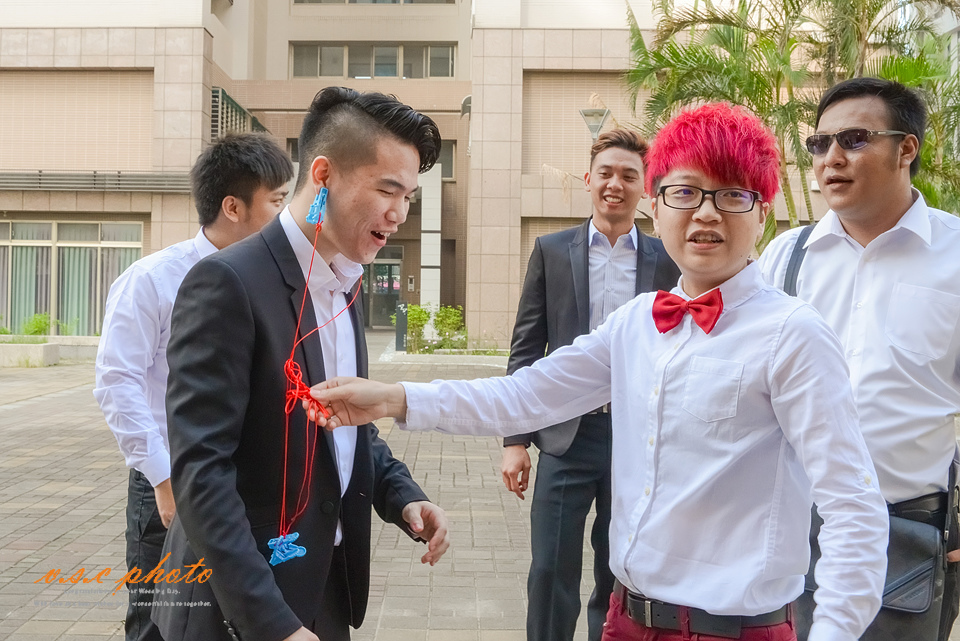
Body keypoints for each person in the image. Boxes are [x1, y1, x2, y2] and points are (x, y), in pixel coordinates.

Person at [307, 103, 890, 641]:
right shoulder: (636, 323)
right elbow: (525, 395)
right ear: (656, 204)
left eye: (732, 195)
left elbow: (854, 509)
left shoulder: (794, 335)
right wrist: (395, 398)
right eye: (685, 192)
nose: (706, 213)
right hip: (625, 621)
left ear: (762, 211)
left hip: (736, 630)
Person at [153, 87, 450, 641]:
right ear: (323, 175)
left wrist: (403, 496)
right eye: (387, 189)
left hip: (325, 586)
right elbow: (201, 470)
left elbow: (341, 424)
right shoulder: (228, 282)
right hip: (239, 607)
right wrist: (272, 624)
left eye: (408, 196)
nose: (398, 213)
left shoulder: (343, 283)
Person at [758, 77, 960, 641]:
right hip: (788, 528)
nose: (831, 158)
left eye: (853, 139)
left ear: (906, 148)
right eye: (819, 143)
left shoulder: (955, 255)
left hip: (905, 532)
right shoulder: (786, 257)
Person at [94, 132, 294, 641]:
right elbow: (117, 382)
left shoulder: (276, 279)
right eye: (276, 202)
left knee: (238, 615)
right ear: (233, 207)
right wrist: (164, 480)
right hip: (170, 479)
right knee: (159, 621)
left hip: (245, 482)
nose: (286, 215)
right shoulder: (152, 279)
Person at [501, 128, 679, 641]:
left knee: (619, 570)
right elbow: (526, 349)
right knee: (549, 570)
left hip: (637, 440)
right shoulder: (552, 251)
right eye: (606, 173)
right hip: (565, 437)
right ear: (589, 179)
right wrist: (515, 440)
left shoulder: (667, 259)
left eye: (628, 175)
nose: (615, 184)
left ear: (645, 187)